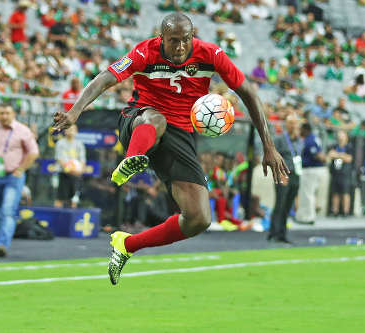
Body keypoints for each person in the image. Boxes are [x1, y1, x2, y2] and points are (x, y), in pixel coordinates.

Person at [52, 13, 288, 285]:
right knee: (156, 119)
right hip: (139, 120)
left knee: (199, 218)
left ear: (192, 36)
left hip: (181, 135)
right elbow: (105, 78)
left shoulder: (210, 54)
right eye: (173, 41)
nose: (179, 47)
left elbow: (249, 93)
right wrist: (75, 112)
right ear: (161, 37)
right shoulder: (144, 51)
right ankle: (131, 160)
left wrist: (268, 147)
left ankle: (127, 245)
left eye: (185, 40)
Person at [0, 103, 39, 257]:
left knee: (7, 210)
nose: (4, 116)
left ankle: (2, 244)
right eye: (1, 113)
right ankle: (1, 241)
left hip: (13, 176)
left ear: (13, 114)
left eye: (7, 113)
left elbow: (33, 152)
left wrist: (20, 169)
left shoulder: (22, 131)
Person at [268, 113, 302, 243]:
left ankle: (282, 233)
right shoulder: (280, 139)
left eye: (295, 123)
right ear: (286, 125)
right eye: (290, 123)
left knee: (288, 205)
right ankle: (274, 232)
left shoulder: (299, 140)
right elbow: (274, 158)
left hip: (296, 174)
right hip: (283, 174)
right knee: (280, 204)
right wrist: (280, 173)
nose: (293, 126)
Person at [295, 122, 327, 225]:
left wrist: (323, 158)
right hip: (313, 169)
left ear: (306, 129)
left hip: (310, 169)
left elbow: (317, 155)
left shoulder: (310, 140)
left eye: (301, 129)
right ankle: (305, 216)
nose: (300, 131)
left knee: (307, 194)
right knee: (307, 194)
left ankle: (308, 217)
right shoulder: (313, 138)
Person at [54, 124, 86, 208]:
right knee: (60, 198)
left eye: (73, 129)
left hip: (76, 175)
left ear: (76, 131)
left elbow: (83, 160)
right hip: (64, 174)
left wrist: (80, 171)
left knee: (74, 199)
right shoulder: (60, 143)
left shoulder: (79, 144)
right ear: (64, 131)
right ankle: (57, 217)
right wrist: (71, 171)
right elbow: (60, 160)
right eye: (68, 129)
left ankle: (72, 218)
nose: (70, 131)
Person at [327, 131, 353, 217]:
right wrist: (342, 155)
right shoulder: (334, 146)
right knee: (335, 193)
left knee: (345, 193)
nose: (340, 139)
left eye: (342, 137)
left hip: (345, 173)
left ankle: (345, 212)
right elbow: (330, 155)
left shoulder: (349, 147)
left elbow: (349, 159)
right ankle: (335, 211)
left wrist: (337, 155)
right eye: (339, 137)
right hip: (335, 172)